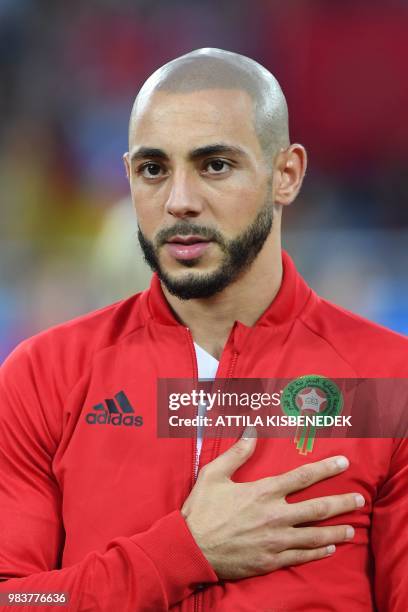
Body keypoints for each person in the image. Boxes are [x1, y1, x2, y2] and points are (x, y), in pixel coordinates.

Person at [0, 48, 407, 611]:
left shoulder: (388, 382)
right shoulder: (44, 375)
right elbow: (19, 601)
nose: (179, 201)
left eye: (215, 165)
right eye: (153, 169)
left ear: (285, 174)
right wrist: (182, 553)